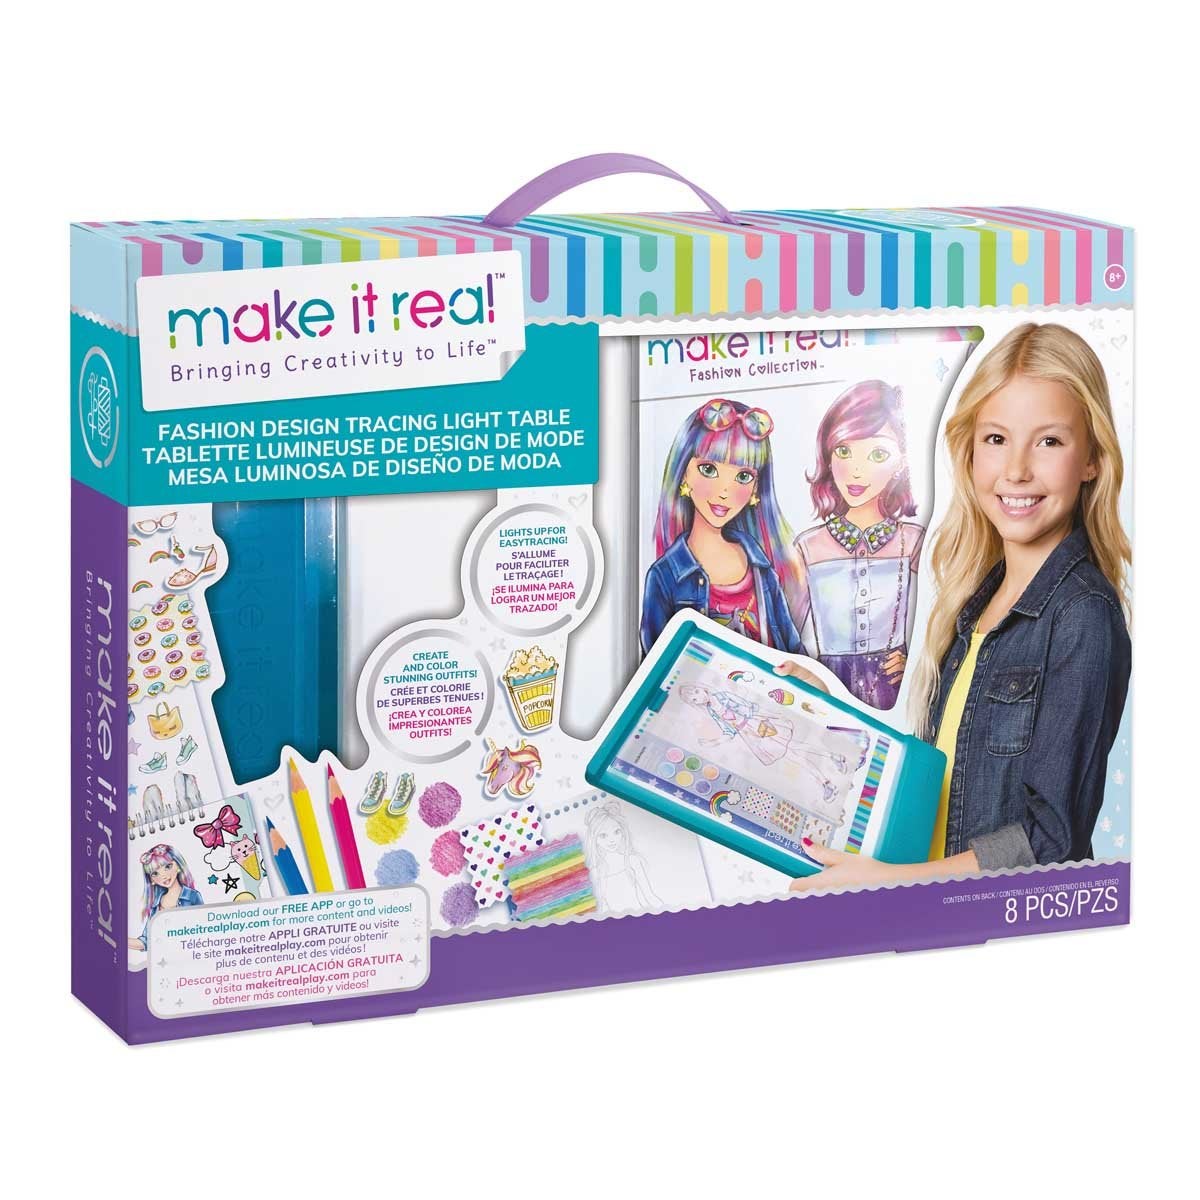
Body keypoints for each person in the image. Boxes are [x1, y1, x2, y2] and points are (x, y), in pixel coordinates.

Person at [776, 323, 1131, 891]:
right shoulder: (976, 600)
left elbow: (1050, 841)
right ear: (969, 452)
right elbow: (941, 774)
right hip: (936, 908)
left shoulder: (1081, 614)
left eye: (1049, 441)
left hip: (993, 923)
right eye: (996, 439)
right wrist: (831, 712)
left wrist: (893, 884)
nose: (1016, 469)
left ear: (1091, 458)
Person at [791, 381, 924, 710]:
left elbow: (947, 618)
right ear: (827, 455)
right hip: (824, 687)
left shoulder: (914, 540)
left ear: (902, 461)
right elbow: (785, 634)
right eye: (844, 451)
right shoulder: (808, 546)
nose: (856, 470)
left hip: (896, 690)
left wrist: (917, 658)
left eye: (877, 454)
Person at [641, 398, 802, 654]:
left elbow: (795, 652)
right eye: (708, 469)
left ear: (756, 488)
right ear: (683, 473)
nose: (724, 491)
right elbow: (656, 663)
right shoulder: (665, 576)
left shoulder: (762, 569)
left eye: (743, 476)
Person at [129, 843, 202, 950]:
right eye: (155, 873)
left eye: (168, 867)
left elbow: (203, 929)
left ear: (178, 866)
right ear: (152, 880)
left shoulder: (192, 896)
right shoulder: (155, 905)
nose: (163, 875)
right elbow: (146, 941)